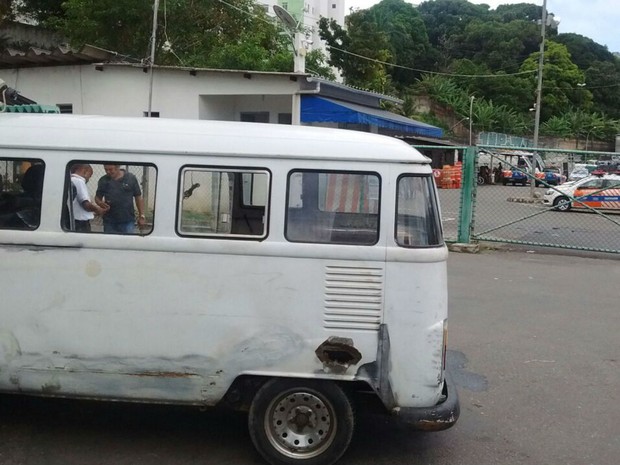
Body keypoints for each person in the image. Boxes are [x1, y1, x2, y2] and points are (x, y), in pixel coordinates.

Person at [95, 164, 146, 234]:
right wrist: (100, 203)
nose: (108, 172)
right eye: (106, 169)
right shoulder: (103, 180)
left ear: (118, 167)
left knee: (127, 243)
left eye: (110, 169)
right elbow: (97, 197)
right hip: (109, 221)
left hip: (127, 220)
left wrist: (142, 216)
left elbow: (138, 197)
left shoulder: (130, 178)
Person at [70, 164, 108, 232]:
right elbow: (85, 204)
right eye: (89, 176)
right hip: (81, 222)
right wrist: (98, 210)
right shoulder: (79, 181)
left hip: (72, 219)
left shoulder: (70, 180)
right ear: (85, 171)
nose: (88, 179)